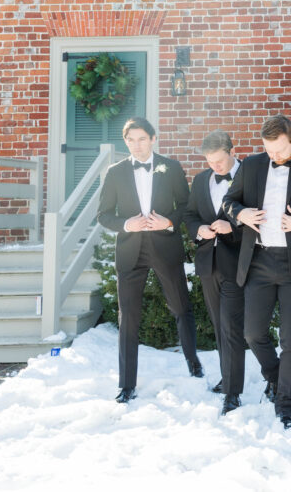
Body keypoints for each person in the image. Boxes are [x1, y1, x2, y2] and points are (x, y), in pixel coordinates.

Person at [222, 114, 291, 428]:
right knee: (252, 333)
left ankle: (285, 403)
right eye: (270, 151)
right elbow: (230, 201)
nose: (275, 156)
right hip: (258, 260)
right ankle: (275, 376)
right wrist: (241, 213)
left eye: (281, 150)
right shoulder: (252, 166)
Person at [96, 116, 200, 403]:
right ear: (125, 142)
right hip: (130, 251)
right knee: (127, 317)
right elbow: (104, 215)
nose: (136, 145)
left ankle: (193, 363)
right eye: (130, 140)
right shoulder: (115, 172)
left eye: (142, 139)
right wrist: (126, 225)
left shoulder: (172, 167)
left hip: (165, 246)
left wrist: (167, 221)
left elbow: (187, 207)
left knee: (181, 307)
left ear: (153, 139)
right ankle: (126, 384)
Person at [183, 130, 244, 415]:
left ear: (232, 151)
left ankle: (233, 392)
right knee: (220, 326)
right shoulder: (199, 180)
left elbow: (262, 214)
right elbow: (190, 214)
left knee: (232, 326)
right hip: (208, 263)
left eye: (219, 161)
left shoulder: (250, 175)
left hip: (239, 262)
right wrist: (199, 229)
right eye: (210, 162)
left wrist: (234, 227)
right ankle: (228, 377)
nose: (215, 167)